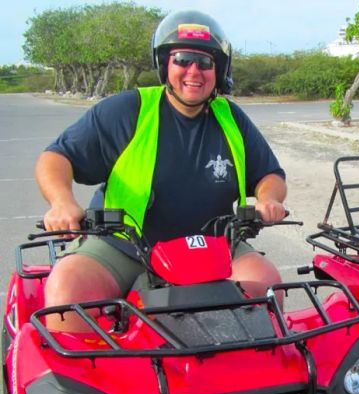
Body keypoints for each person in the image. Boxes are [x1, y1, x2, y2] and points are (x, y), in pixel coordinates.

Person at [36, 9, 287, 332]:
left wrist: (268, 199)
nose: (193, 71)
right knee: (66, 295)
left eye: (205, 62)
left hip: (213, 244)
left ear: (219, 70)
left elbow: (270, 175)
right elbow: (56, 157)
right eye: (182, 59)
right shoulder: (127, 110)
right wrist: (61, 202)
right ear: (165, 64)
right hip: (124, 245)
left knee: (266, 285)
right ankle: (103, 382)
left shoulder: (232, 119)